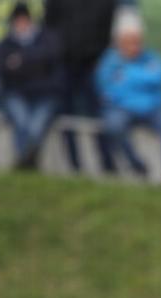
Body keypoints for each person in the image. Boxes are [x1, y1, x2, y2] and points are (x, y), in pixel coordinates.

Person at [96, 11, 161, 186]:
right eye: (128, 41)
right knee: (114, 126)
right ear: (119, 41)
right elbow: (107, 89)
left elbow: (159, 77)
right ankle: (136, 165)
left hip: (152, 108)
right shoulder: (109, 61)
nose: (133, 46)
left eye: (136, 41)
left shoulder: (151, 58)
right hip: (122, 109)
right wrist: (140, 80)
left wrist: (128, 77)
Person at [44, 0, 117, 174]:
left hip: (92, 65)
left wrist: (98, 56)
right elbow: (49, 26)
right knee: (65, 115)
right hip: (64, 64)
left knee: (98, 115)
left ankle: (107, 164)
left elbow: (108, 28)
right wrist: (58, 52)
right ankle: (74, 166)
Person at [0, 2, 63, 169]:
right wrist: (34, 62)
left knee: (34, 127)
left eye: (24, 20)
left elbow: (51, 58)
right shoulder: (6, 43)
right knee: (22, 122)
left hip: (44, 94)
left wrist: (21, 61)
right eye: (17, 21)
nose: (21, 24)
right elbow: (1, 67)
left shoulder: (48, 38)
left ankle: (23, 162)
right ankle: (28, 163)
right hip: (17, 93)